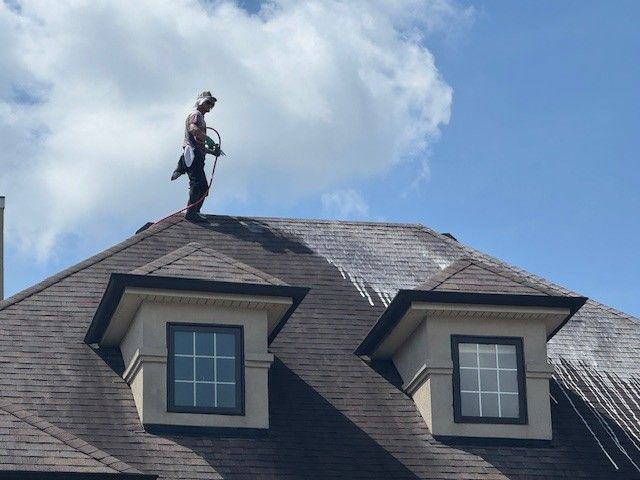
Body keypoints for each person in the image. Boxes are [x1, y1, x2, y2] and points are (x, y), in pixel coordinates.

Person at [171, 91, 221, 223]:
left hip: (198, 154)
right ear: (200, 101)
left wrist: (211, 151)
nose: (210, 106)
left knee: (203, 187)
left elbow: (198, 143)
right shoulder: (196, 114)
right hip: (192, 154)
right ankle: (191, 213)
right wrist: (207, 138)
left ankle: (195, 211)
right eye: (208, 102)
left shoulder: (202, 118)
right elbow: (193, 129)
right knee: (198, 184)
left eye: (212, 104)